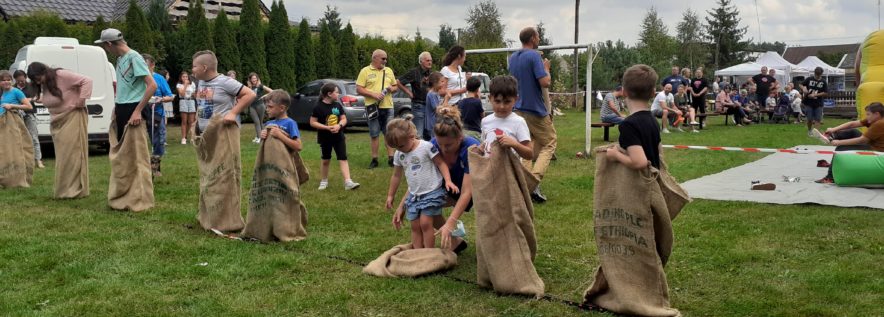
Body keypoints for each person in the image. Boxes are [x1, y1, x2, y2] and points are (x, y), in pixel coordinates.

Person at [386, 118, 459, 249]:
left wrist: (448, 180)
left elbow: (441, 163)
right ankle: (418, 253)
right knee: (414, 225)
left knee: (425, 223)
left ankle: (429, 254)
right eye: (395, 147)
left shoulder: (425, 147)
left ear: (412, 137)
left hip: (432, 191)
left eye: (401, 146)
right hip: (414, 195)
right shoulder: (399, 154)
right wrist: (391, 195)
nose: (399, 150)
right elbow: (396, 175)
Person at [26, 63, 93, 198]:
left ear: (45, 72)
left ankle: (75, 190)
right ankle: (65, 188)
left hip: (72, 117)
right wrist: (39, 99)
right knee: (63, 157)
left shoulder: (61, 75)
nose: (38, 82)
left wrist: (81, 101)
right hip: (57, 121)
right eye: (35, 80)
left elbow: (87, 80)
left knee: (72, 155)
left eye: (39, 78)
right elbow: (54, 97)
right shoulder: (45, 84)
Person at [509, 27, 555, 203]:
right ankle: (533, 181)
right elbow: (545, 82)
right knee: (550, 142)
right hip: (534, 108)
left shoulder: (513, 57)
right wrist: (546, 69)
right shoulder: (535, 56)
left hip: (518, 108)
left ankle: (524, 182)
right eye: (538, 36)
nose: (539, 39)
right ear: (533, 39)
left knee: (528, 146)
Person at [429, 106, 480, 254]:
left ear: (460, 138)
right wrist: (405, 203)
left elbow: (467, 192)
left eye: (448, 145)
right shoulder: (432, 145)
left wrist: (451, 222)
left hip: (477, 190)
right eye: (440, 144)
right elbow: (422, 179)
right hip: (450, 189)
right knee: (425, 205)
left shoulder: (471, 147)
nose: (443, 149)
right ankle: (455, 242)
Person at [94, 28, 157, 142]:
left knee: (134, 150)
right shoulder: (120, 59)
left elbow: (152, 85)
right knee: (122, 148)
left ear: (109, 44)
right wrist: (117, 106)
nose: (106, 50)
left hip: (133, 106)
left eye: (105, 46)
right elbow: (123, 86)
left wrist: (137, 111)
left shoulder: (134, 57)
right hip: (122, 106)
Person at [605, 64, 662, 170]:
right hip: (653, 181)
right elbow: (660, 154)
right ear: (653, 93)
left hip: (638, 185)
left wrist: (615, 155)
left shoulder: (628, 125)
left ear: (624, 92)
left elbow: (639, 162)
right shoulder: (653, 120)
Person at [814, 102, 884, 184]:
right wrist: (833, 129)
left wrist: (839, 142)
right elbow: (852, 124)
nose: (866, 116)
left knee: (840, 149)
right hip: (871, 144)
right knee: (853, 131)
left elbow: (862, 140)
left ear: (876, 114)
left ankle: (830, 177)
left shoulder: (879, 124)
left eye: (868, 114)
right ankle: (829, 137)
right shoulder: (875, 119)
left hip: (878, 151)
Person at [310, 82, 360, 191]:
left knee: (343, 158)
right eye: (337, 92)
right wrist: (327, 128)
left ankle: (348, 182)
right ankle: (324, 181)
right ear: (329, 94)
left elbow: (344, 119)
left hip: (339, 138)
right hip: (325, 138)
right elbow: (313, 122)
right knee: (325, 160)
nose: (339, 94)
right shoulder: (318, 107)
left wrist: (339, 125)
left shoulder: (337, 105)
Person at [192, 51, 255, 132]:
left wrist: (233, 113)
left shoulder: (225, 81)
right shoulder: (201, 81)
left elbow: (250, 94)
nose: (192, 69)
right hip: (204, 135)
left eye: (194, 66)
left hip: (222, 135)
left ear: (204, 68)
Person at [356, 49, 398, 168]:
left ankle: (391, 158)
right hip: (372, 107)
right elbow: (359, 89)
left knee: (389, 133)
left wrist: (391, 89)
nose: (385, 61)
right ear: (374, 58)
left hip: (388, 106)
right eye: (382, 58)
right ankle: (374, 159)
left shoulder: (388, 70)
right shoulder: (365, 71)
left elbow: (395, 86)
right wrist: (373, 94)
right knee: (374, 134)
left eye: (386, 58)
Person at [481, 75, 534, 161]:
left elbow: (530, 154)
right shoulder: (485, 121)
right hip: (490, 171)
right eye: (497, 101)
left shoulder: (519, 122)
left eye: (507, 102)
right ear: (490, 98)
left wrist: (515, 144)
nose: (502, 106)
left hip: (509, 172)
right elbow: (485, 145)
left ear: (516, 99)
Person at [144, 54, 174, 177]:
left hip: (156, 114)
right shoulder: (136, 78)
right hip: (140, 114)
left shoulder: (159, 79)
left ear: (152, 65)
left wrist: (160, 99)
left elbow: (170, 96)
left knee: (158, 141)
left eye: (145, 65)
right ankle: (141, 168)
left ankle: (155, 166)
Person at [397, 51, 434, 140]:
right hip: (418, 105)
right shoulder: (414, 72)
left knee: (429, 133)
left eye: (431, 60)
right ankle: (417, 153)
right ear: (421, 61)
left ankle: (427, 153)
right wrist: (408, 92)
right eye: (427, 60)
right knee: (418, 134)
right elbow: (398, 82)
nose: (430, 62)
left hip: (430, 106)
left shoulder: (431, 73)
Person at [13, 70, 43, 168]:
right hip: (16, 114)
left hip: (30, 114)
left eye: (22, 80)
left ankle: (38, 160)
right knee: (19, 138)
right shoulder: (12, 88)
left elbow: (40, 99)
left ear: (25, 77)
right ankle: (23, 161)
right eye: (18, 81)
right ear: (15, 80)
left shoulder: (32, 86)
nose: (21, 83)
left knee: (34, 137)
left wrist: (31, 99)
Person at [246, 73, 273, 144]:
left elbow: (271, 91)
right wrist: (249, 87)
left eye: (255, 78)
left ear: (257, 79)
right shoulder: (249, 87)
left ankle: (263, 137)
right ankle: (259, 137)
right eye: (252, 78)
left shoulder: (260, 86)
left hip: (260, 105)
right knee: (256, 122)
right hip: (252, 106)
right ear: (250, 79)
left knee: (260, 122)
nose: (254, 79)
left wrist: (264, 96)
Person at [802, 67, 828, 137]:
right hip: (808, 102)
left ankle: (816, 133)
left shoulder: (823, 82)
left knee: (818, 119)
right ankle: (809, 130)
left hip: (818, 103)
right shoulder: (809, 79)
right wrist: (804, 89)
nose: (817, 76)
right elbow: (802, 84)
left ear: (821, 74)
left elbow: (825, 93)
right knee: (809, 119)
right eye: (816, 75)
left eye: (819, 75)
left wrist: (815, 95)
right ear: (814, 73)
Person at [425, 72, 451, 139]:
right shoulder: (432, 94)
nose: (444, 83)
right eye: (442, 81)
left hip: (436, 123)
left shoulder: (436, 93)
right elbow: (439, 110)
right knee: (435, 141)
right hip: (433, 124)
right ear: (434, 83)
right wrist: (446, 99)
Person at [176, 71, 196, 144]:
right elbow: (182, 94)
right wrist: (185, 85)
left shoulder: (192, 84)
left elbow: (194, 94)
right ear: (181, 78)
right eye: (183, 77)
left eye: (186, 76)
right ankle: (183, 138)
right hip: (183, 101)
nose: (185, 78)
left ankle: (191, 137)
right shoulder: (179, 85)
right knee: (184, 121)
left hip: (191, 101)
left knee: (191, 121)